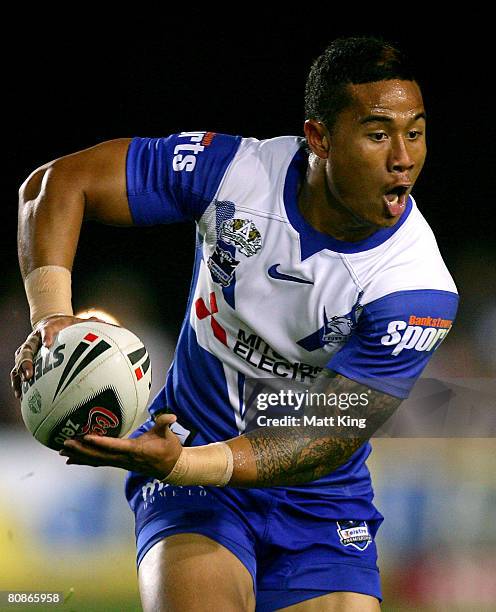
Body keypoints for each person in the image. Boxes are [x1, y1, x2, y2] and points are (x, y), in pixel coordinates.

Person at [11, 36, 458, 611]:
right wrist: (51, 318)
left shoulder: (415, 288)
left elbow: (325, 437)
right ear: (318, 138)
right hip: (195, 477)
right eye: (378, 134)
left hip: (318, 496)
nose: (403, 157)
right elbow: (56, 185)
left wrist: (182, 462)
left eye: (415, 132)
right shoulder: (235, 174)